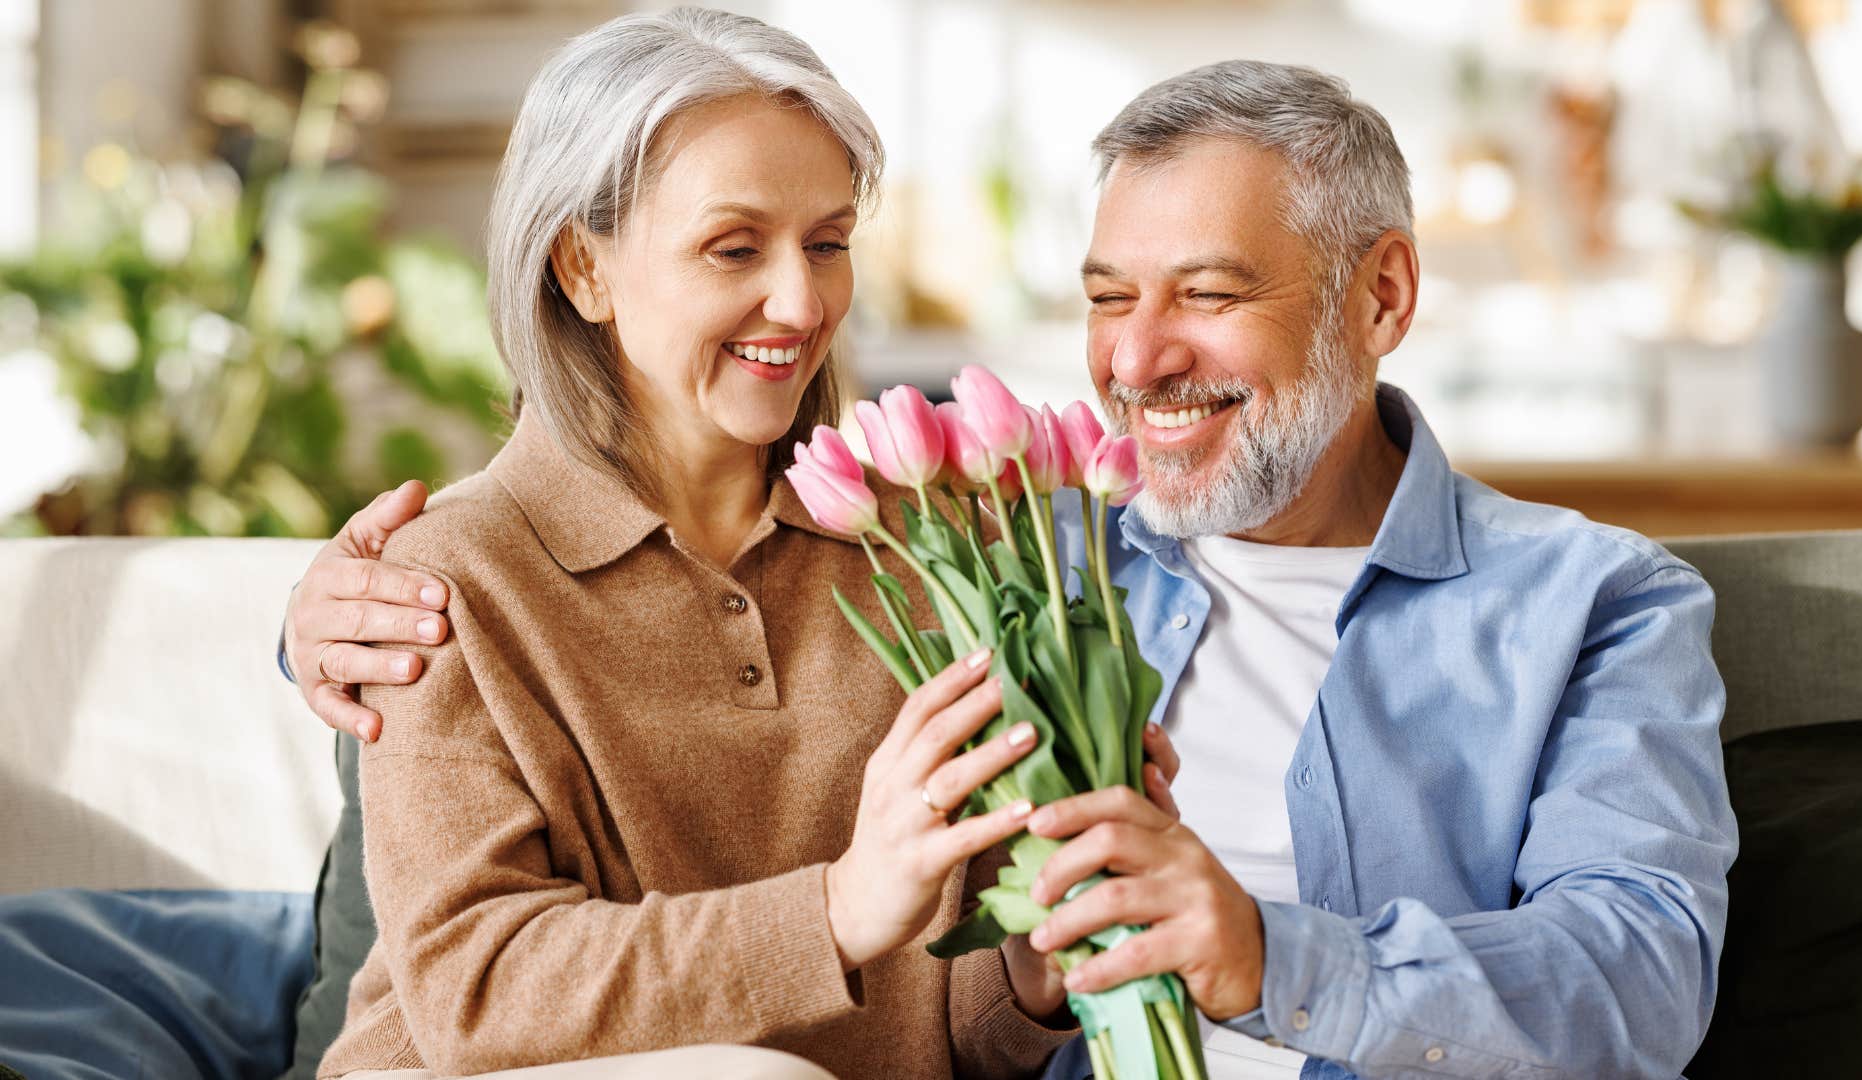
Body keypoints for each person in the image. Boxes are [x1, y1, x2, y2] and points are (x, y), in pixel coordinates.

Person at [290, 53, 1736, 1080]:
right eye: (1109, 298)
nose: (1140, 357)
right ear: (583, 270)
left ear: (1386, 296)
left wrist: (1238, 957)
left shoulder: (1592, 604)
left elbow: (1643, 978)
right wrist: (309, 619)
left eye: (1210, 294)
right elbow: (477, 914)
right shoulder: (1012, 561)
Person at [293, 9, 1137, 1079]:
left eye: (827, 244)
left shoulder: (926, 546)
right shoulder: (445, 582)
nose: (801, 299)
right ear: (581, 268)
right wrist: (834, 910)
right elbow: (477, 989)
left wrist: (1033, 959)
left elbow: (926, 1031)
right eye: (734, 247)